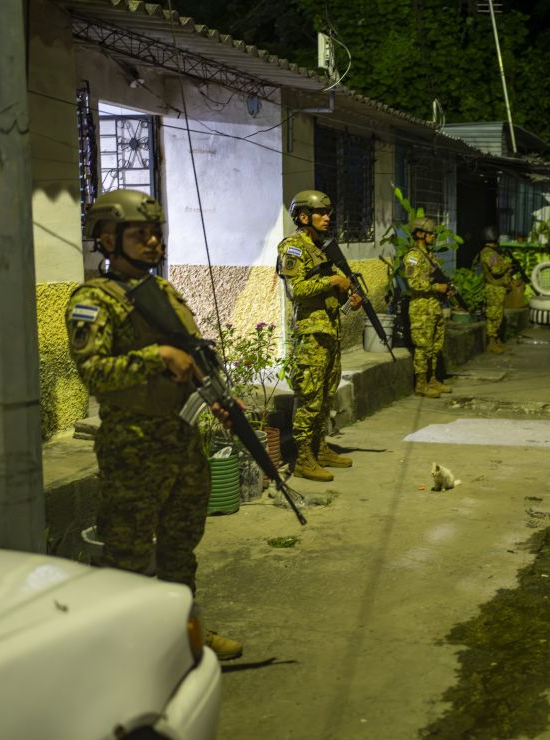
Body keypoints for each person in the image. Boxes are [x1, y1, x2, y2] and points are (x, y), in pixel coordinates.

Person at [65, 189, 243, 659]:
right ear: (107, 237)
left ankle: (184, 633)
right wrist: (155, 356)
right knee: (128, 554)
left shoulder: (163, 291)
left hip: (181, 440)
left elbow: (189, 357)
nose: (152, 242)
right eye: (139, 234)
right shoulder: (92, 300)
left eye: (156, 233)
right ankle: (128, 652)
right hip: (133, 447)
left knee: (181, 548)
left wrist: (216, 393)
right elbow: (95, 374)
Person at [276, 189, 360, 481]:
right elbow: (296, 290)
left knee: (326, 397)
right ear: (303, 216)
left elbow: (331, 299)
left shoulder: (320, 248)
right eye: (321, 213)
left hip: (329, 332)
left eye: (328, 213)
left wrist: (348, 300)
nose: (327, 218)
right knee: (309, 398)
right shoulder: (293, 247)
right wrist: (331, 280)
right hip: (310, 336)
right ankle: (302, 459)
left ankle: (319, 448)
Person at [403, 216, 452, 398]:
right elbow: (413, 283)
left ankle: (433, 380)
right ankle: (421, 384)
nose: (433, 236)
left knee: (435, 345)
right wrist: (434, 287)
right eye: (431, 233)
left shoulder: (430, 256)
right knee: (423, 347)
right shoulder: (413, 257)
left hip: (434, 306)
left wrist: (445, 290)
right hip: (421, 308)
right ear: (420, 234)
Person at [477, 225, 513, 353]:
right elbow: (496, 270)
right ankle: (491, 342)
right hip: (494, 288)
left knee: (498, 315)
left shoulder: (492, 252)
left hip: (498, 288)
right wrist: (507, 266)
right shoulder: (490, 254)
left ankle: (496, 340)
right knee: (493, 315)